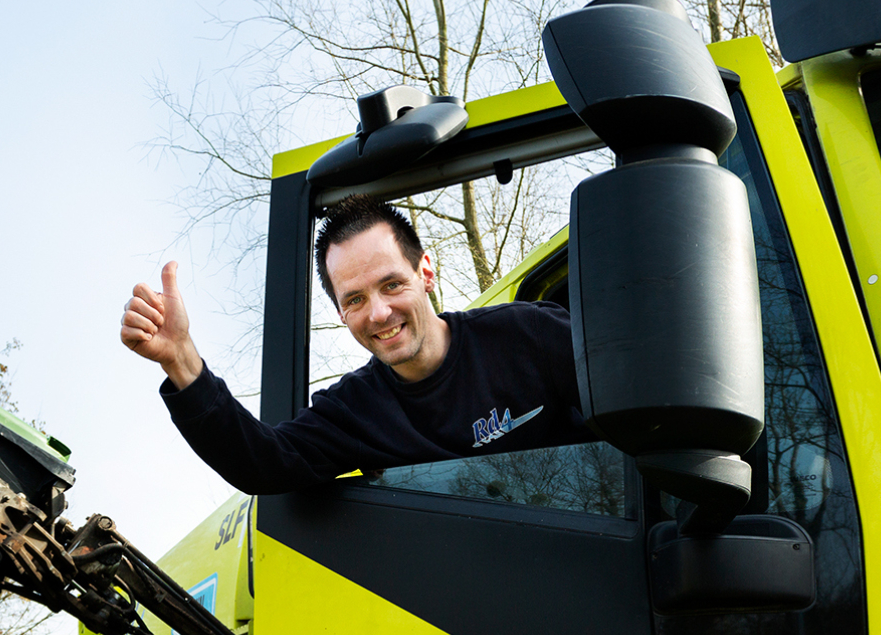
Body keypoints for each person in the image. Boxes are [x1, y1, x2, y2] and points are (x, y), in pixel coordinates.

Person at [120, 195, 592, 494]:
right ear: (341, 311)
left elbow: (637, 410)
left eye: (391, 285)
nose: (379, 314)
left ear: (425, 272)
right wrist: (181, 360)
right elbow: (263, 464)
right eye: (356, 299)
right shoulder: (352, 411)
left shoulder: (528, 334)